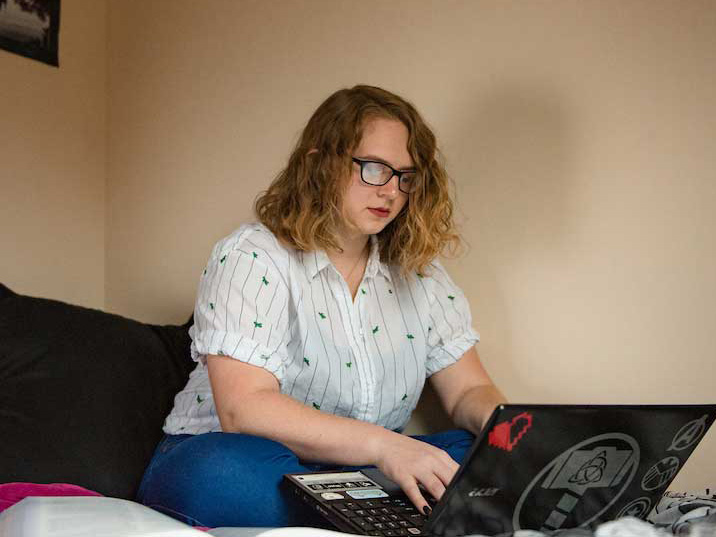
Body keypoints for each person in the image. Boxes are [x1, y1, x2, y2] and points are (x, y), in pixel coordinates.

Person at [136, 85, 506, 528]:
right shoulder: (253, 255)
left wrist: (511, 435)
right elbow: (244, 409)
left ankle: (365, 515)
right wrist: (386, 446)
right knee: (224, 472)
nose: (390, 191)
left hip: (359, 474)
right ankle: (382, 516)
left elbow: (467, 390)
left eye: (405, 177)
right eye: (373, 168)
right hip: (245, 457)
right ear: (319, 164)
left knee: (475, 455)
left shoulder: (420, 275)